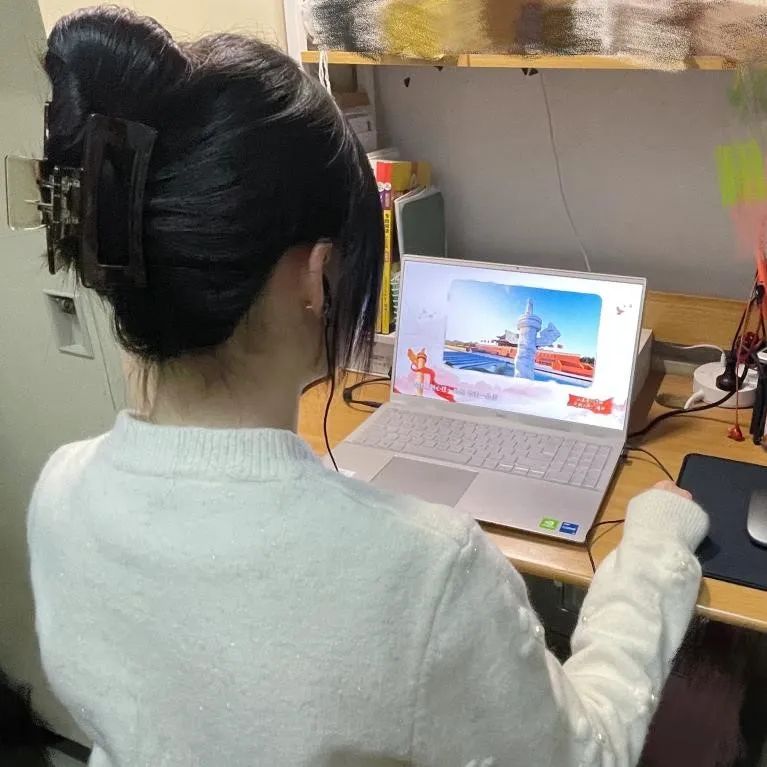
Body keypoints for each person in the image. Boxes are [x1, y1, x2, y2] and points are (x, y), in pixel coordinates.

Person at [27, 7, 709, 767]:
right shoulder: (424, 570)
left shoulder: (58, 494)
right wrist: (656, 546)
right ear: (316, 275)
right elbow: (587, 751)